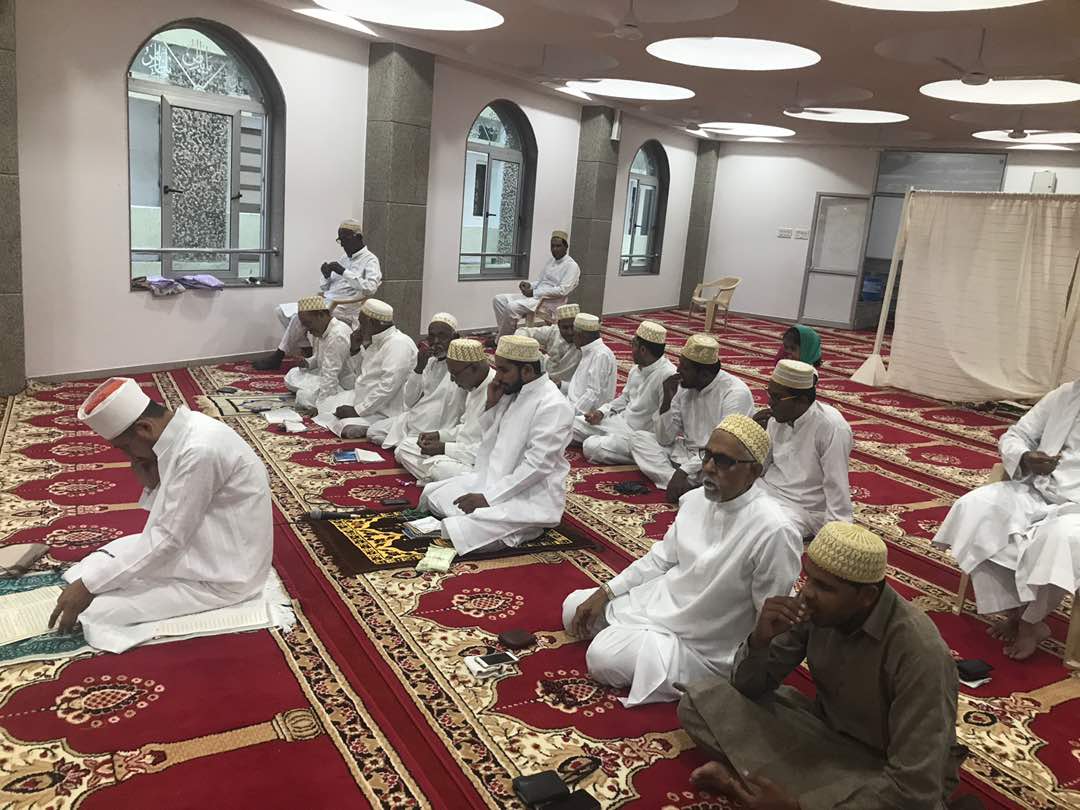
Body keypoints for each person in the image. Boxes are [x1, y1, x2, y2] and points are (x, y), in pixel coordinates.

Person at [678, 522, 964, 810]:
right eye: (809, 578)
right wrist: (760, 640)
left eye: (824, 587)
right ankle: (783, 785)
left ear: (866, 597)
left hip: (883, 769)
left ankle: (751, 781)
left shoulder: (920, 653)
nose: (807, 593)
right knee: (701, 701)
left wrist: (799, 808)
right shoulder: (817, 607)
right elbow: (748, 688)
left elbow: (914, 786)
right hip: (826, 735)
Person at [563, 415, 802, 707]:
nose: (708, 467)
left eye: (723, 461)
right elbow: (659, 560)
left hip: (705, 644)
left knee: (602, 657)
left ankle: (668, 659)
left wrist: (747, 669)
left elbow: (769, 614)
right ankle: (636, 635)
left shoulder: (774, 530)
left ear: (753, 471)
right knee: (573, 607)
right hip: (664, 605)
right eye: (707, 455)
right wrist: (606, 591)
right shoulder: (696, 500)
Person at [49, 378, 272, 653]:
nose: (128, 456)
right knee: (99, 561)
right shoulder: (185, 431)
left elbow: (168, 538)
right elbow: (169, 516)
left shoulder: (199, 450)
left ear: (144, 428)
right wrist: (150, 478)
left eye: (125, 447)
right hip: (207, 546)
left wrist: (88, 588)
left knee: (97, 610)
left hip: (225, 576)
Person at [933, 378, 1080, 660]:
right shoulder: (1066, 394)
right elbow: (1016, 434)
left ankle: (1031, 623)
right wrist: (1025, 457)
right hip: (1036, 489)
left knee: (1059, 540)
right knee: (977, 508)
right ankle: (1013, 610)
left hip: (1077, 509)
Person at [419, 335, 574, 555]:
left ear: (527, 371)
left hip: (529, 496)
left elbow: (538, 466)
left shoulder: (553, 406)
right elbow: (488, 443)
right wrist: (492, 404)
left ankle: (525, 529)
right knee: (435, 495)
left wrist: (488, 498)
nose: (497, 377)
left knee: (465, 530)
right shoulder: (512, 392)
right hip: (493, 481)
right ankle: (481, 521)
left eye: (503, 370)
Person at [630, 334, 754, 503]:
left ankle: (683, 482)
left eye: (685, 368)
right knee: (639, 438)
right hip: (686, 453)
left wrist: (684, 471)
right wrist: (667, 400)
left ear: (704, 375)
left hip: (714, 460)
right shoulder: (684, 386)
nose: (678, 371)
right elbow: (664, 439)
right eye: (680, 364)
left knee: (723, 467)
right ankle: (680, 484)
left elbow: (725, 447)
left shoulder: (734, 394)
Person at [255, 219, 381, 370]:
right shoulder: (344, 259)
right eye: (340, 240)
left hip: (346, 307)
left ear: (358, 237)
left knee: (299, 316)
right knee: (281, 311)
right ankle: (308, 350)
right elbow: (325, 287)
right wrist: (326, 275)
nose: (342, 244)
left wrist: (344, 272)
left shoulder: (370, 260)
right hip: (327, 301)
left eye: (345, 239)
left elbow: (370, 288)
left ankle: (278, 356)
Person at [758, 359, 853, 537]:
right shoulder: (777, 418)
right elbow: (761, 467)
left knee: (764, 529)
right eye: (769, 394)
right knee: (713, 499)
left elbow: (836, 484)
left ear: (802, 400)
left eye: (777, 397)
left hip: (803, 509)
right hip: (765, 490)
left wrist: (837, 535)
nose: (770, 402)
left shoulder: (831, 427)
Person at [573, 320, 675, 465]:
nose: (631, 349)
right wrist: (601, 412)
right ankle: (611, 442)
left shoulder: (668, 376)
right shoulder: (636, 369)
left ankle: (641, 455)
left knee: (592, 447)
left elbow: (667, 425)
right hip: (619, 423)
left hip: (638, 436)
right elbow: (625, 399)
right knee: (570, 424)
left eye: (633, 345)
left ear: (643, 350)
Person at [395, 338, 495, 484]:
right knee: (405, 447)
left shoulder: (496, 392)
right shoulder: (474, 386)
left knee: (440, 469)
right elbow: (466, 429)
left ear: (474, 368)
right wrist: (439, 435)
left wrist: (444, 448)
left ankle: (439, 479)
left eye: (455, 374)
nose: (453, 380)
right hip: (459, 454)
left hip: (478, 463)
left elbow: (487, 450)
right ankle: (440, 480)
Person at [317, 299, 417, 438]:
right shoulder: (376, 342)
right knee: (325, 406)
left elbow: (388, 386)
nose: (358, 328)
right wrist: (355, 350)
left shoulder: (398, 344)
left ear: (371, 323)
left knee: (344, 425)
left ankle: (372, 427)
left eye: (361, 323)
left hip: (386, 410)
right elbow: (363, 376)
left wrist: (358, 410)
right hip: (365, 401)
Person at [366, 313, 460, 448]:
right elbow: (409, 400)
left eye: (442, 336)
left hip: (436, 424)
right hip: (415, 416)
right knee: (373, 430)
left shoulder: (459, 367)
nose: (436, 341)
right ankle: (405, 444)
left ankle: (405, 444)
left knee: (404, 445)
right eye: (432, 336)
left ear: (455, 338)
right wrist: (419, 368)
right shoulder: (430, 362)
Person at [492, 230, 580, 337]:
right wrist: (529, 285)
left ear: (566, 247)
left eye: (558, 246)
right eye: (552, 246)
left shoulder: (571, 266)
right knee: (499, 299)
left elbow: (562, 290)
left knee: (512, 307)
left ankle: (501, 339)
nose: (554, 249)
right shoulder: (551, 261)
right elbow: (540, 282)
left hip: (549, 302)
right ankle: (508, 335)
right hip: (535, 296)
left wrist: (534, 292)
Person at [283, 296, 354, 410]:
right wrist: (307, 363)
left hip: (342, 385)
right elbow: (319, 358)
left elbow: (331, 375)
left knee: (303, 396)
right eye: (304, 325)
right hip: (325, 377)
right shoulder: (323, 330)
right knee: (292, 374)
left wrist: (322, 406)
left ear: (321, 315)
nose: (307, 329)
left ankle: (329, 402)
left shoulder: (337, 335)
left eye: (308, 323)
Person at [561, 313, 617, 416]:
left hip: (586, 417)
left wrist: (569, 414)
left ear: (581, 336)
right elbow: (578, 389)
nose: (572, 339)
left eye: (574, 335)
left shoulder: (600, 355)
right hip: (572, 405)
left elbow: (593, 394)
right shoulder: (588, 352)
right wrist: (561, 385)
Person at [516, 302, 582, 387]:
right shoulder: (553, 331)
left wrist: (561, 385)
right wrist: (532, 348)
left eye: (573, 327)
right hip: (545, 373)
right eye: (565, 328)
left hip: (567, 386)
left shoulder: (585, 341)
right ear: (558, 325)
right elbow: (522, 331)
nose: (570, 332)